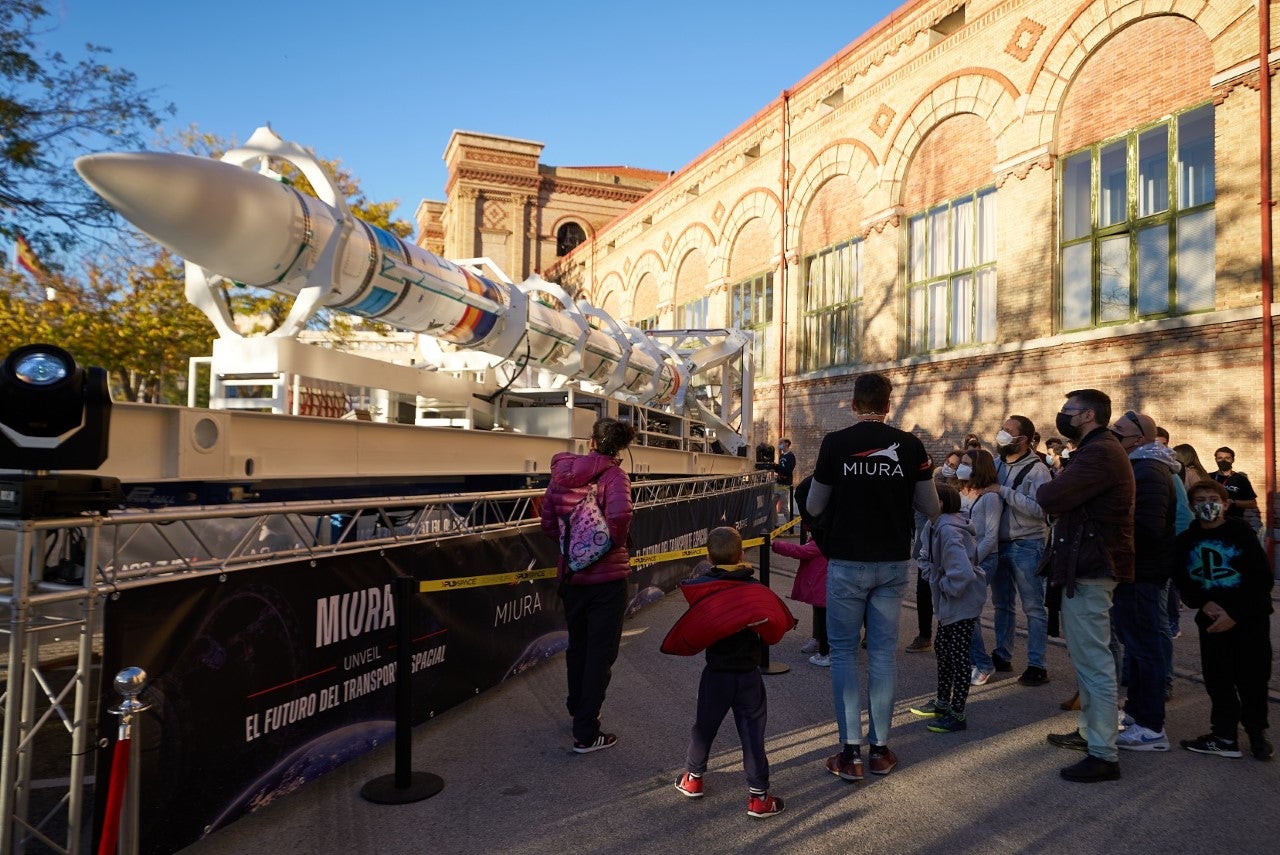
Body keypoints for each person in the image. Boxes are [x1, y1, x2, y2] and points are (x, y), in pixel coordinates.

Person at [807, 372, 938, 781]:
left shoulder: (835, 444)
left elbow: (814, 505)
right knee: (882, 654)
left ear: (853, 403)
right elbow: (931, 506)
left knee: (844, 654)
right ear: (888, 404)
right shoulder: (911, 445)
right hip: (892, 561)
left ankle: (850, 753)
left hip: (846, 560)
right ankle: (880, 749)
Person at [1037, 389, 1135, 783]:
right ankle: (1089, 734)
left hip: (1092, 568)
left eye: (1068, 411)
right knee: (1087, 660)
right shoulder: (1096, 450)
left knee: (1095, 663)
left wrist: (1057, 488)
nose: (1062, 416)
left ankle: (1103, 752)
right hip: (1085, 565)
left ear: (1088, 415)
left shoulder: (1100, 453)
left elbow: (1050, 494)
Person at [673, 527, 786, 817]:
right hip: (748, 674)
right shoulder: (754, 589)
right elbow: (773, 629)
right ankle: (760, 797)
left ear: (709, 558)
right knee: (752, 734)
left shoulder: (702, 589)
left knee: (704, 727)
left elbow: (694, 630)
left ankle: (693, 778)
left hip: (716, 673)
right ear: (743, 555)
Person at [539, 417, 636, 753]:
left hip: (572, 575)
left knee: (578, 646)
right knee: (601, 653)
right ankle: (586, 732)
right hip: (607, 580)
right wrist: (609, 544)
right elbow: (621, 517)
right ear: (619, 446)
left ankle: (576, 708)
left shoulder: (560, 474)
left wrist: (575, 548)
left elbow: (548, 523)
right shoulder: (614, 475)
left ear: (591, 441)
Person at [1171, 480, 1274, 761]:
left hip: (1248, 618)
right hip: (1212, 619)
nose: (1207, 504)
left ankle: (1256, 734)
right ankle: (1224, 735)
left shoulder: (1241, 534)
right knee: (1219, 679)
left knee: (1252, 678)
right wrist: (1203, 602)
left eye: (1213, 498)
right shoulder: (1186, 540)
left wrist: (1235, 614)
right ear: (1192, 506)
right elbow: (1182, 579)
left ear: (1225, 504)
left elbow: (1260, 578)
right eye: (1200, 499)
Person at [1108, 411, 1175, 752]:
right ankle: (1137, 712)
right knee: (1136, 646)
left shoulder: (1148, 471)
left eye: (1120, 430)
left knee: (1146, 648)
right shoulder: (1138, 466)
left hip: (1141, 573)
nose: (1113, 434)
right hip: (1134, 571)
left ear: (1140, 439)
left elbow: (1146, 528)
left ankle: (1151, 727)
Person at [910, 484, 985, 733]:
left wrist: (941, 583)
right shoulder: (933, 526)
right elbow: (924, 556)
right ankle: (942, 703)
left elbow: (962, 574)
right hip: (947, 603)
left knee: (959, 657)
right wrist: (932, 574)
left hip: (961, 602)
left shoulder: (949, 531)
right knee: (943, 649)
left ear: (940, 503)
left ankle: (957, 714)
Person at [991, 415, 1052, 687]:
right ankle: (1002, 654)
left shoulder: (1038, 471)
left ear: (1023, 439)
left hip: (1027, 544)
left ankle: (1037, 664)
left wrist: (1003, 491)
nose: (1002, 435)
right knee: (1001, 604)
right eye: (1002, 430)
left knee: (1033, 607)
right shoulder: (995, 465)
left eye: (1008, 431)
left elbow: (1040, 510)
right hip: (998, 544)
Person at [906, 450, 962, 653]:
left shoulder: (961, 496)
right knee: (924, 593)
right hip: (927, 552)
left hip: (948, 553)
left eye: (954, 465)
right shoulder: (931, 485)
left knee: (947, 596)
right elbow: (920, 519)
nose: (949, 466)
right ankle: (925, 635)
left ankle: (947, 637)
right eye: (948, 462)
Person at [956, 448, 1002, 685]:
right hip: (963, 558)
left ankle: (982, 663)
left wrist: (971, 560)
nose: (961, 466)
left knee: (969, 611)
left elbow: (990, 537)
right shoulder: (963, 492)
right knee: (962, 612)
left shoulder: (991, 498)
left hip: (982, 560)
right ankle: (973, 660)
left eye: (966, 463)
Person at [773, 509, 829, 667]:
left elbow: (799, 551)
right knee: (819, 615)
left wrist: (775, 544)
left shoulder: (821, 541)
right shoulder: (820, 537)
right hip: (819, 587)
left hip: (822, 587)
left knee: (825, 621)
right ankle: (817, 641)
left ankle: (825, 652)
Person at [1211, 446, 1263, 539]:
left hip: (1234, 524)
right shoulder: (1209, 477)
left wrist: (1233, 502)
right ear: (1215, 459)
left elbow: (1252, 503)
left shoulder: (1241, 479)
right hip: (1212, 523)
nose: (1223, 461)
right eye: (1220, 458)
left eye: (1227, 458)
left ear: (1233, 460)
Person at [772, 438, 797, 528]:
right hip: (778, 483)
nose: (779, 445)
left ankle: (790, 524)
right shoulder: (781, 456)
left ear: (786, 444)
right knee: (772, 504)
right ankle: (776, 524)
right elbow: (779, 469)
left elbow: (788, 470)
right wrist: (774, 466)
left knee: (783, 507)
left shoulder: (791, 456)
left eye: (781, 443)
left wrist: (777, 466)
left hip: (785, 484)